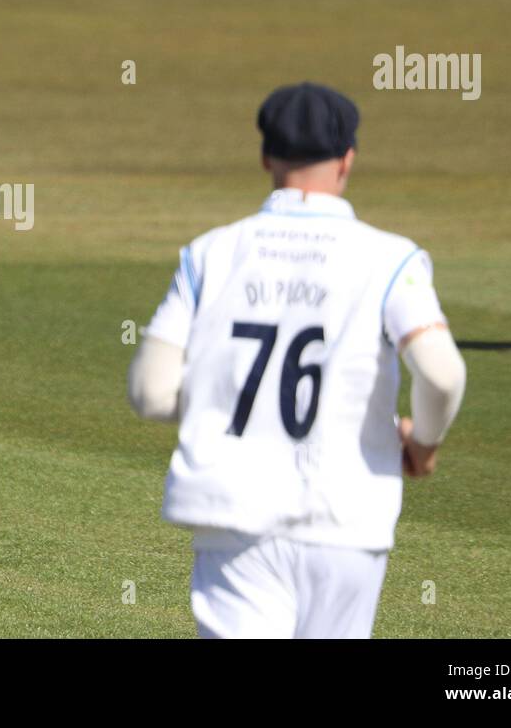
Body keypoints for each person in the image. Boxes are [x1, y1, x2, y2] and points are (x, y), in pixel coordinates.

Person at [128, 82, 466, 639]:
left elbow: (151, 392)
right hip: (348, 517)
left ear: (266, 157)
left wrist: (229, 396)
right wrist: (423, 444)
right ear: (348, 160)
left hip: (234, 517)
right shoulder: (390, 257)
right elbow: (443, 372)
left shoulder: (211, 252)